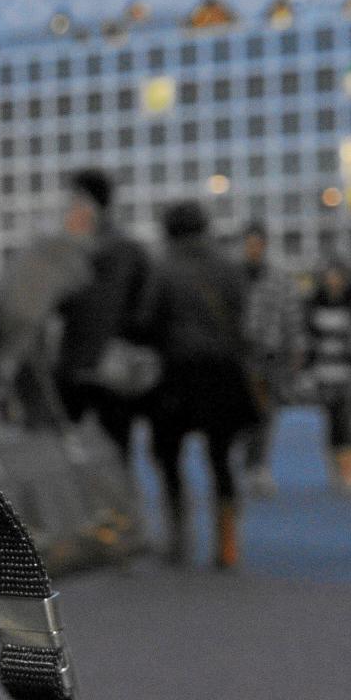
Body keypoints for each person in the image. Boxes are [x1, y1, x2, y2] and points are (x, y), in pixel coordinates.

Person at [140, 202, 262, 568]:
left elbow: (147, 319)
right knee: (221, 458)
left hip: (177, 373)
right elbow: (243, 316)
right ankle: (227, 544)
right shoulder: (228, 266)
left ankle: (179, 538)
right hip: (224, 371)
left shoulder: (162, 267)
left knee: (168, 455)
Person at [53, 168, 150, 459]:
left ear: (86, 201)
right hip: (114, 365)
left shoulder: (70, 248)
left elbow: (57, 303)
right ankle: (117, 504)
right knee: (118, 454)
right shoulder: (132, 250)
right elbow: (143, 308)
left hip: (77, 365)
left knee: (65, 452)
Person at [240, 222, 305, 497]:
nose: (253, 248)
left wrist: (296, 349)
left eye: (257, 243)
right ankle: (248, 463)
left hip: (269, 355)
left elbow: (292, 316)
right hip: (240, 356)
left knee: (265, 414)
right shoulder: (232, 276)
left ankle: (259, 466)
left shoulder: (279, 278)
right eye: (248, 243)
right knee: (241, 414)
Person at [305, 261, 351, 497]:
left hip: (350, 373)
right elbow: (309, 341)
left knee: (347, 419)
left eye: (337, 276)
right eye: (329, 276)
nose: (333, 280)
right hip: (324, 372)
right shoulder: (313, 305)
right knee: (332, 420)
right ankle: (336, 468)